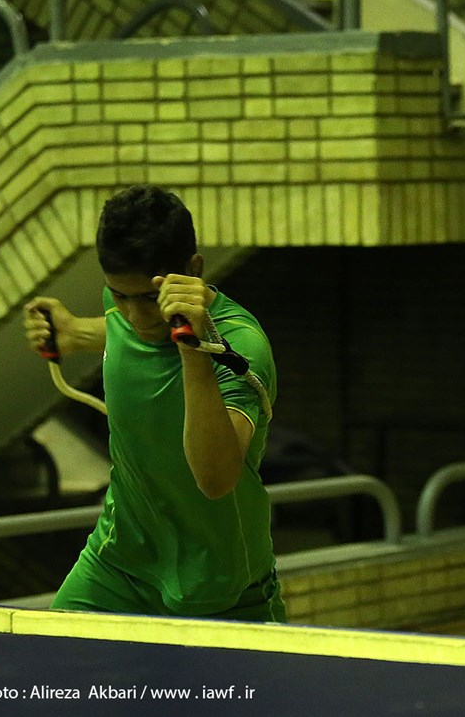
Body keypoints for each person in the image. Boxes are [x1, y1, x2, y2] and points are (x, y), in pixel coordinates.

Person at [22, 184, 285, 622]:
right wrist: (75, 334)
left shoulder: (239, 347)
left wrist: (194, 351)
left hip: (219, 580)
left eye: (149, 298)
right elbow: (128, 331)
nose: (135, 314)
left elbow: (216, 478)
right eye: (120, 295)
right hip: (118, 561)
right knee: (52, 658)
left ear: (193, 269)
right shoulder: (123, 309)